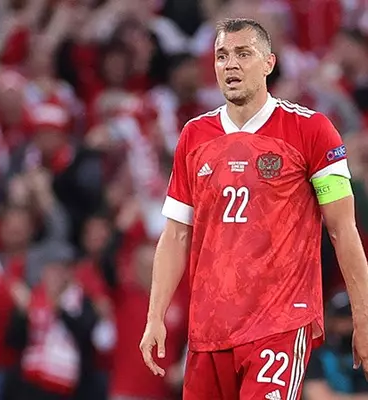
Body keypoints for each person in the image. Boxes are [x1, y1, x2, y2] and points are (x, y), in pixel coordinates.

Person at [139, 18, 368, 400]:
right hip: (210, 329)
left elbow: (343, 231)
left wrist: (364, 318)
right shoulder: (194, 136)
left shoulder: (312, 130)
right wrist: (154, 316)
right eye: (222, 56)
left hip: (279, 323)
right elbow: (176, 234)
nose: (231, 64)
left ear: (268, 63)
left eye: (243, 54)